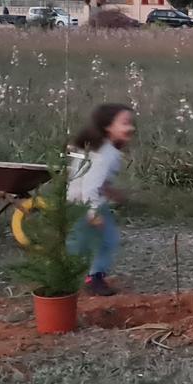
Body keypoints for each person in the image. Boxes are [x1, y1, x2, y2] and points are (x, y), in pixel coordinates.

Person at [67, 103, 135, 296]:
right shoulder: (105, 154)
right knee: (105, 241)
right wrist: (93, 213)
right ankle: (94, 278)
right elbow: (90, 186)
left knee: (79, 242)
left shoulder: (101, 149)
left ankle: (73, 275)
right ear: (108, 127)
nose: (131, 128)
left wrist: (111, 192)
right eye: (125, 123)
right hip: (86, 204)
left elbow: (91, 179)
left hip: (78, 202)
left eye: (131, 123)